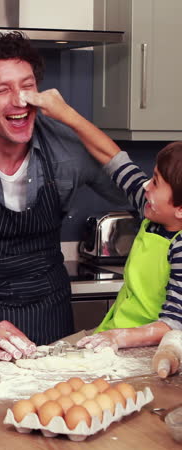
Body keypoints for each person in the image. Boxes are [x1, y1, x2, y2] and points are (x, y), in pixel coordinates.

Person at [0, 32, 126, 360]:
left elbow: (131, 191)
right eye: (2, 90)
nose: (20, 101)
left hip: (50, 317)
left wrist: (72, 118)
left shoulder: (65, 149)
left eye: (27, 86)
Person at [20, 88, 182, 351]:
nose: (146, 187)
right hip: (115, 337)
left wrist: (119, 337)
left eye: (155, 182)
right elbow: (113, 159)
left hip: (146, 355)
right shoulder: (150, 209)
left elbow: (174, 323)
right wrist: (66, 114)